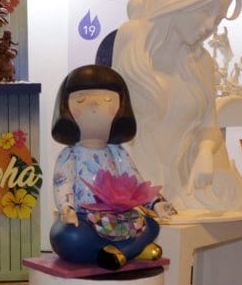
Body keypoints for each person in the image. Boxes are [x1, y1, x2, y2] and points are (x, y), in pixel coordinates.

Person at [112, 0, 242, 213]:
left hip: (187, 181)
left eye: (218, 19)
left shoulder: (202, 62)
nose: (211, 26)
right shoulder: (134, 42)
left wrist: (206, 153)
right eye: (206, 12)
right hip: (139, 178)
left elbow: (209, 126)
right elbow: (114, 117)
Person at [49, 65, 172, 270]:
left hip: (119, 217)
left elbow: (135, 181)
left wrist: (155, 203)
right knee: (68, 236)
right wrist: (67, 209)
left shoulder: (118, 152)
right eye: (81, 100)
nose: (94, 104)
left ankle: (117, 252)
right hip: (84, 218)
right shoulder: (70, 154)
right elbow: (63, 182)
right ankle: (131, 249)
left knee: (151, 224)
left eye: (107, 100)